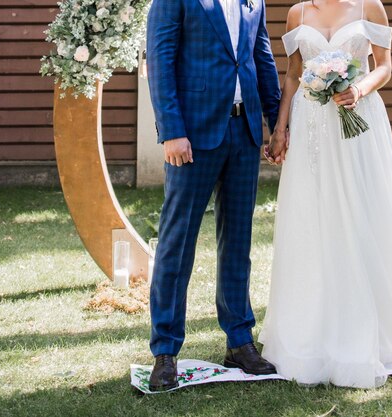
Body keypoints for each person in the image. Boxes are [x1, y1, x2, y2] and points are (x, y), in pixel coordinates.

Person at [259, 0, 392, 388]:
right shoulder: (297, 14)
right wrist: (280, 127)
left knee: (363, 213)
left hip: (358, 124)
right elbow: (292, 76)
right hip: (312, 131)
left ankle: (374, 320)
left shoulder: (369, 7)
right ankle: (314, 324)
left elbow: (385, 67)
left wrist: (358, 88)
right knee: (314, 217)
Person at [145, 0, 281, 391]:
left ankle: (239, 341)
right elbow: (160, 58)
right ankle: (166, 350)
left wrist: (275, 122)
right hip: (192, 135)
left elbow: (262, 57)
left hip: (245, 133)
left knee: (237, 243)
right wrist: (171, 130)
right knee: (177, 242)